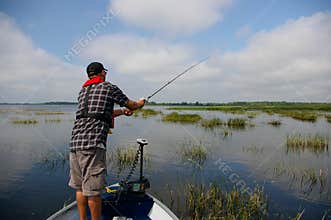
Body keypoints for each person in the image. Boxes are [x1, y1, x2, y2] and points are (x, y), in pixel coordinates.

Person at [69, 62, 145, 220]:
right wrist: (140, 103)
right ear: (102, 72)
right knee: (94, 192)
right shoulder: (108, 87)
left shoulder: (83, 91)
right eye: (105, 71)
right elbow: (132, 104)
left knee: (80, 189)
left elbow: (99, 113)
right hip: (92, 144)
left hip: (75, 145)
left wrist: (123, 112)